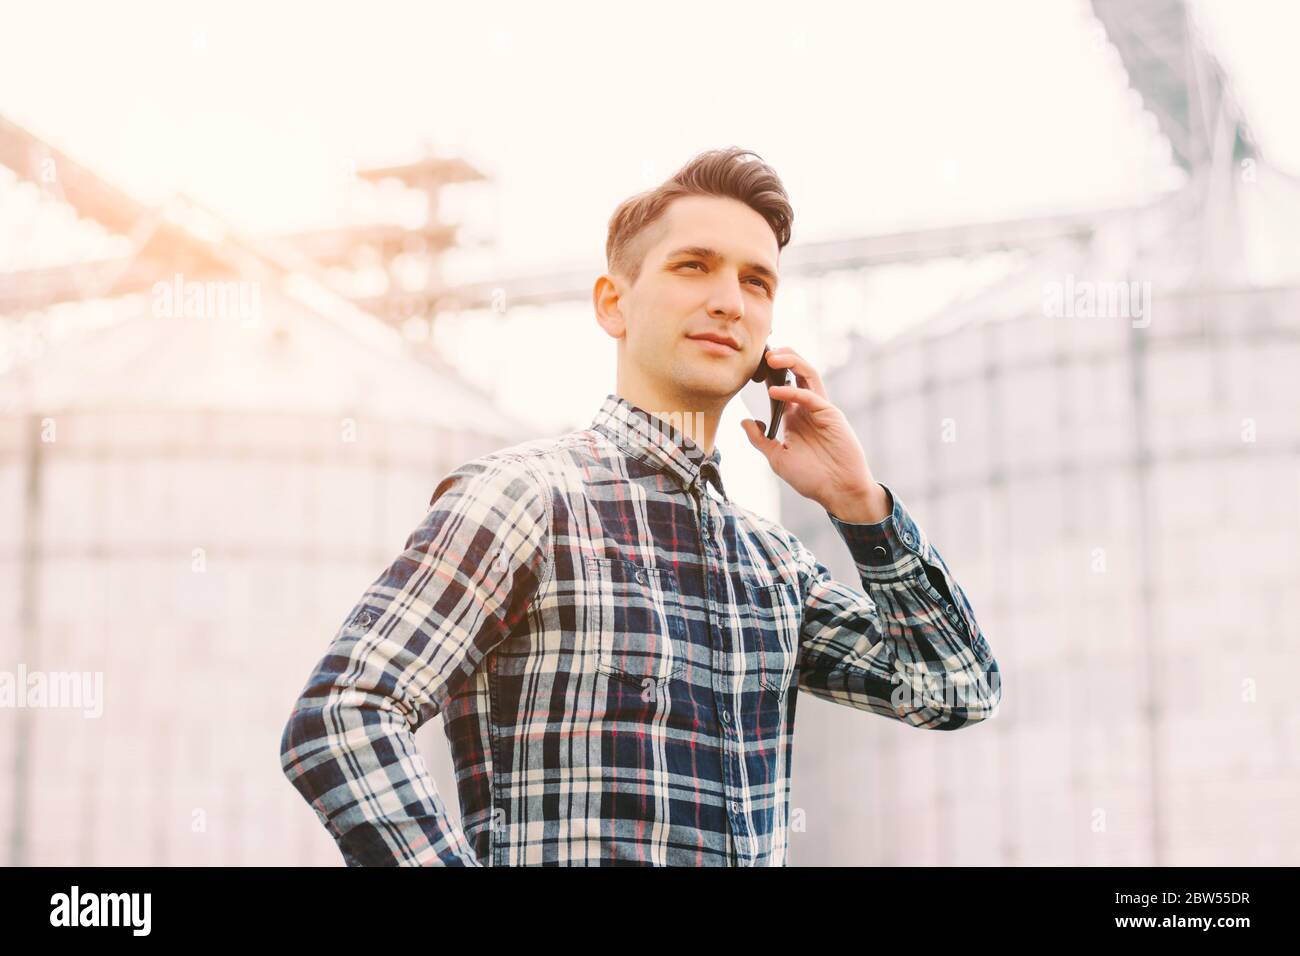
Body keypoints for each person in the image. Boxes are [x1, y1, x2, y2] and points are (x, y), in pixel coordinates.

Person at [279, 146, 1001, 867]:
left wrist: (860, 505)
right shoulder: (529, 499)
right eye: (694, 266)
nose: (729, 299)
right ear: (613, 303)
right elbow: (343, 717)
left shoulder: (773, 567)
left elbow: (954, 689)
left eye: (757, 281)